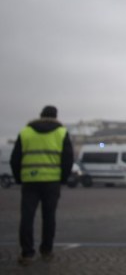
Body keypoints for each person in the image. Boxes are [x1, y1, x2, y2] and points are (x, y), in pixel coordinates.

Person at [10, 105, 74, 266]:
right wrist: (63, 178)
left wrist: (19, 178)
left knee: (27, 217)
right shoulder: (61, 133)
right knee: (49, 217)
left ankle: (27, 253)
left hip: (30, 182)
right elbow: (68, 159)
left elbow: (15, 159)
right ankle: (46, 250)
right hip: (52, 182)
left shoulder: (26, 132)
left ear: (40, 115)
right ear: (56, 116)